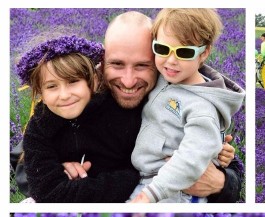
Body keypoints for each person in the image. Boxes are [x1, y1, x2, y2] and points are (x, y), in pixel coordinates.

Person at [13, 10, 242, 203]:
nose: (129, 80)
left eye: (142, 65)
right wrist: (56, 170)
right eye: (117, 64)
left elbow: (224, 159)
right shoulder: (76, 93)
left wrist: (223, 183)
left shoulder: (180, 95)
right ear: (102, 60)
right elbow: (21, 156)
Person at [129, 8, 245, 203]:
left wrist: (149, 195)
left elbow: (191, 159)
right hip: (149, 181)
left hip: (174, 192)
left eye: (184, 52)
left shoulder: (202, 108)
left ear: (204, 53)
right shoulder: (166, 78)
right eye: (162, 49)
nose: (171, 60)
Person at [18, 35, 141, 202]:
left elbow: (139, 171)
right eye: (52, 86)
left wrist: (74, 185)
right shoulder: (39, 127)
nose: (64, 95)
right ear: (42, 94)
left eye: (73, 82)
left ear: (93, 81)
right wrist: (123, 180)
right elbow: (47, 193)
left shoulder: (118, 114)